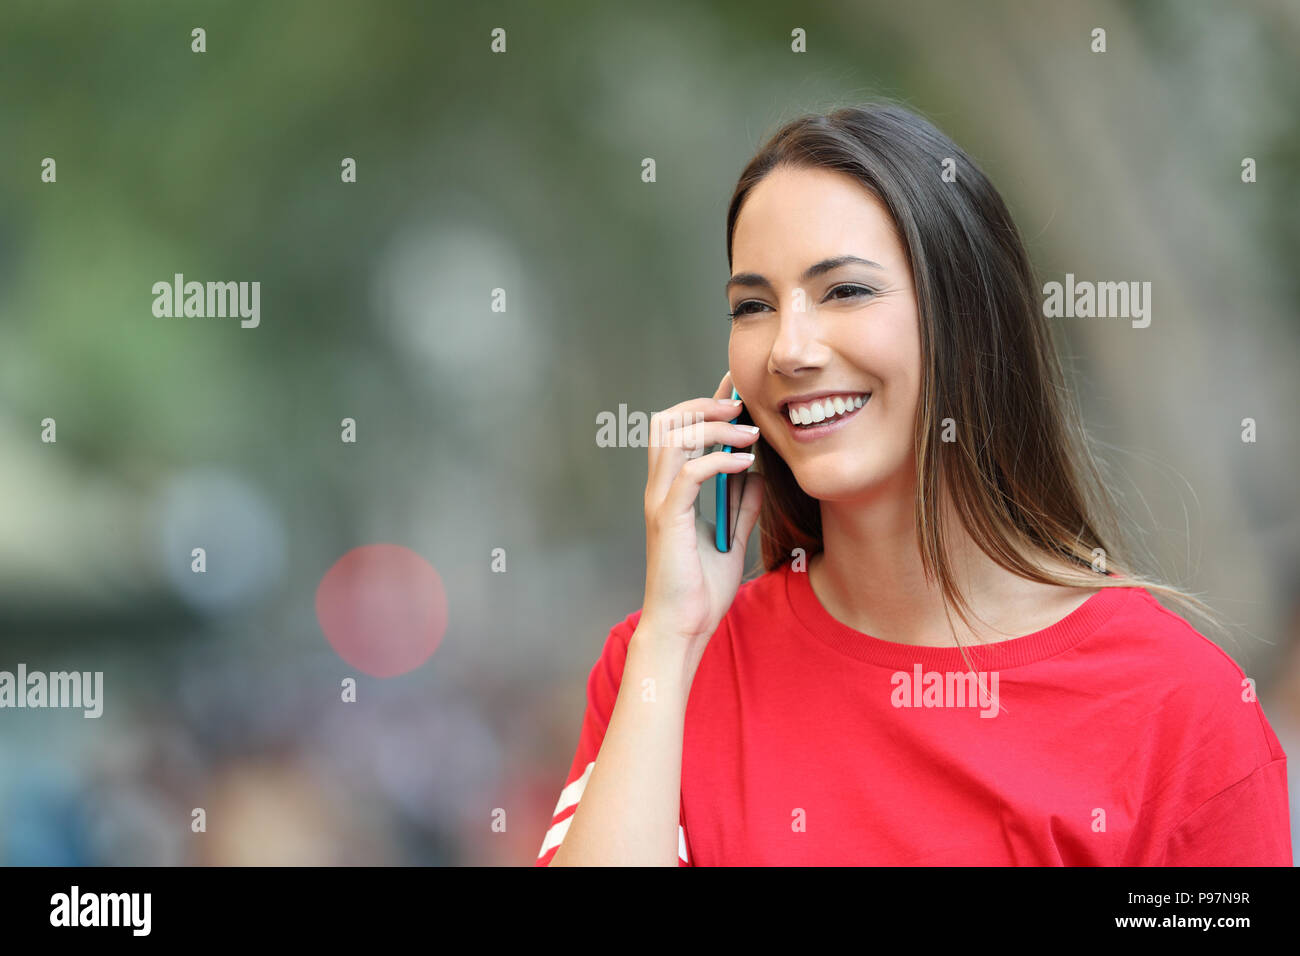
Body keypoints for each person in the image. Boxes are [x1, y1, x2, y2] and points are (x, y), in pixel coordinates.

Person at [537, 102, 1292, 866]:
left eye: (846, 291)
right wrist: (672, 637)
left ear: (969, 318)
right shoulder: (659, 669)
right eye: (754, 307)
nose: (789, 349)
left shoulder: (1179, 705)